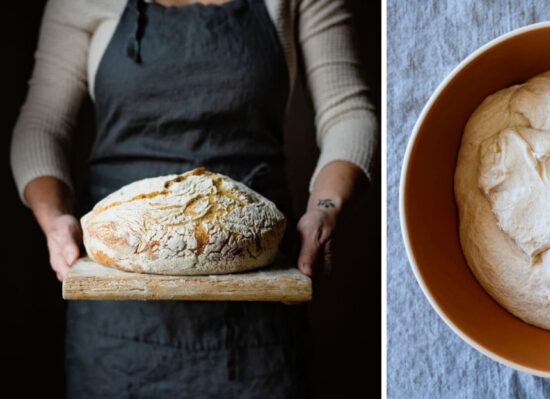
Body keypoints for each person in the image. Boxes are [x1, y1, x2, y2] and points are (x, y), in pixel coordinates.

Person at [9, 0, 377, 397]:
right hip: (117, 314)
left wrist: (325, 209)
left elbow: (347, 112)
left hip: (257, 311)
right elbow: (42, 124)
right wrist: (53, 219)